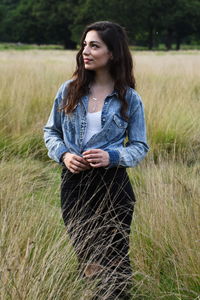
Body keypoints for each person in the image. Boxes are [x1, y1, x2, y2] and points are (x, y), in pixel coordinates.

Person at [44, 21, 149, 300]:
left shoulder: (129, 97)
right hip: (74, 184)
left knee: (114, 254)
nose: (84, 52)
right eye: (84, 45)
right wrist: (65, 155)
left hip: (113, 185)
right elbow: (51, 132)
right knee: (87, 255)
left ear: (112, 53)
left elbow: (140, 146)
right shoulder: (68, 90)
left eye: (94, 45)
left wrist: (112, 155)